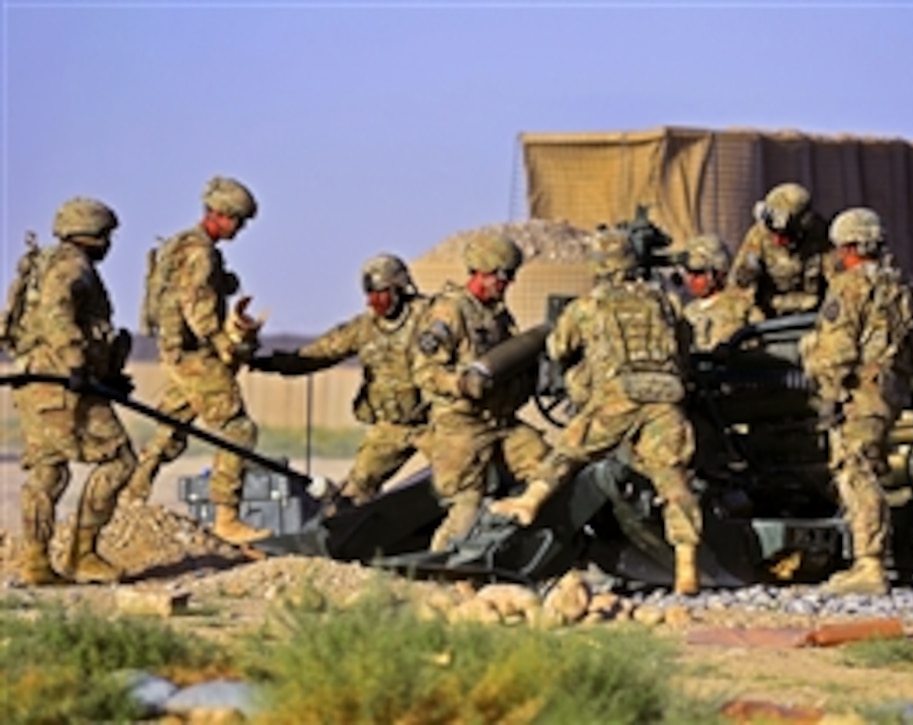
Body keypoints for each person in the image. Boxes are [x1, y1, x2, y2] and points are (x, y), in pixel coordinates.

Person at [488, 228, 703, 595]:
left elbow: (557, 347)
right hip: (666, 397)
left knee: (571, 448)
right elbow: (685, 344)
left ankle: (530, 501)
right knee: (673, 477)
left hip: (618, 396)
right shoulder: (665, 302)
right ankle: (686, 564)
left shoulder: (589, 306)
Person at [120, 176, 270, 545]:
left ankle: (130, 496)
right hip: (193, 354)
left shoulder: (182, 246)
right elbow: (197, 308)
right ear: (218, 215)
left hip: (176, 350)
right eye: (237, 220)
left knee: (171, 425)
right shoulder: (201, 253)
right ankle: (227, 517)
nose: (240, 228)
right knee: (239, 430)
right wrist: (224, 342)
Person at [2, 197, 137, 584]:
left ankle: (37, 563)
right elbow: (56, 313)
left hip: (37, 382)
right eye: (107, 236)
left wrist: (106, 374)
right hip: (61, 383)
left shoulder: (47, 263)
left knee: (49, 469)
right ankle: (83, 553)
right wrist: (77, 364)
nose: (109, 244)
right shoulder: (71, 266)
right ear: (92, 235)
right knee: (119, 459)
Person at [798, 207, 913, 595]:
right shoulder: (901, 286)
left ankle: (869, 565)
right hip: (890, 389)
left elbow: (838, 351)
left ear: (850, 246)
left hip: (860, 391)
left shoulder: (850, 285)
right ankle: (871, 559)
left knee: (856, 470)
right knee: (871, 466)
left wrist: (829, 394)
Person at [248, 254, 432, 507]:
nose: (374, 302)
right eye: (370, 295)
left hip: (437, 423)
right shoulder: (364, 328)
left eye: (381, 293)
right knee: (354, 492)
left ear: (399, 287)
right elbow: (317, 354)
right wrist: (266, 362)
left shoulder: (432, 318)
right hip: (392, 428)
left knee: (461, 481)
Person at [412, 233, 549, 553]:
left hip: (501, 422)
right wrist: (460, 384)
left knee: (548, 472)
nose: (508, 284)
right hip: (463, 427)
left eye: (511, 276)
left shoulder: (498, 316)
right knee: (465, 508)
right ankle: (440, 574)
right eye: (503, 276)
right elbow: (424, 371)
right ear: (482, 271)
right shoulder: (449, 312)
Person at [728, 182, 832, 321]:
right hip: (770, 316)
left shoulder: (821, 236)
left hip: (815, 313)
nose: (776, 240)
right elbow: (740, 285)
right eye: (773, 233)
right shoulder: (758, 235)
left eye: (784, 235)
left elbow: (838, 281)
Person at [680, 234, 752, 352]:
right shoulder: (686, 313)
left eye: (698, 273)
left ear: (718, 273)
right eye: (688, 272)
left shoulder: (740, 307)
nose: (691, 279)